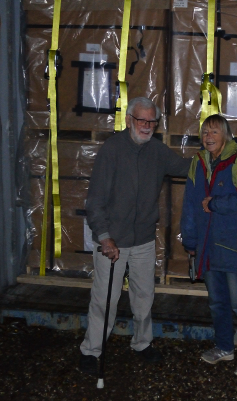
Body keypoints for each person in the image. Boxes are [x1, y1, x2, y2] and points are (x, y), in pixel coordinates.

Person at [79, 97, 191, 374]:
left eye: (152, 121)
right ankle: (91, 351)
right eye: (142, 120)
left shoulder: (157, 151)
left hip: (142, 239)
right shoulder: (112, 149)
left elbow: (186, 168)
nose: (147, 126)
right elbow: (94, 200)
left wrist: (218, 156)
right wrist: (104, 237)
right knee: (105, 297)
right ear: (129, 120)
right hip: (112, 241)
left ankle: (142, 343)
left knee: (144, 297)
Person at [180, 114, 237, 378]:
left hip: (235, 247)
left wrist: (217, 202)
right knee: (217, 303)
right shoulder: (198, 163)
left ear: (225, 135)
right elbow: (191, 206)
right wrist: (191, 241)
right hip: (208, 247)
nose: (208, 137)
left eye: (214, 132)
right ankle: (225, 347)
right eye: (205, 132)